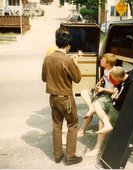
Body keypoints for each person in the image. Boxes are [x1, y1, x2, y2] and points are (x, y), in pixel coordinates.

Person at [42, 32, 83, 165]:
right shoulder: (67, 60)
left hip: (53, 98)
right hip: (66, 98)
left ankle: (57, 155)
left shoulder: (47, 58)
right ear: (68, 45)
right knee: (72, 125)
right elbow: (77, 79)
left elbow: (44, 78)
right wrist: (76, 62)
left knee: (57, 126)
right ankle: (70, 156)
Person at [85, 67, 133, 157]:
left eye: (115, 79)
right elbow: (120, 83)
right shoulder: (128, 74)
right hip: (114, 103)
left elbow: (125, 100)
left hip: (118, 109)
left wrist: (116, 97)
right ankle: (105, 122)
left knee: (101, 122)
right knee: (96, 103)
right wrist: (117, 88)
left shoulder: (132, 83)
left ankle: (97, 149)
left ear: (118, 78)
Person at [78, 53, 118, 137]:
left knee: (91, 110)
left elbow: (115, 91)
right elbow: (105, 75)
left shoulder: (114, 74)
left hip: (108, 96)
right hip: (101, 93)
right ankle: (91, 109)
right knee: (84, 91)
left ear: (108, 63)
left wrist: (103, 89)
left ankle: (82, 129)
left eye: (103, 60)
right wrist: (100, 81)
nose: (101, 61)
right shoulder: (106, 70)